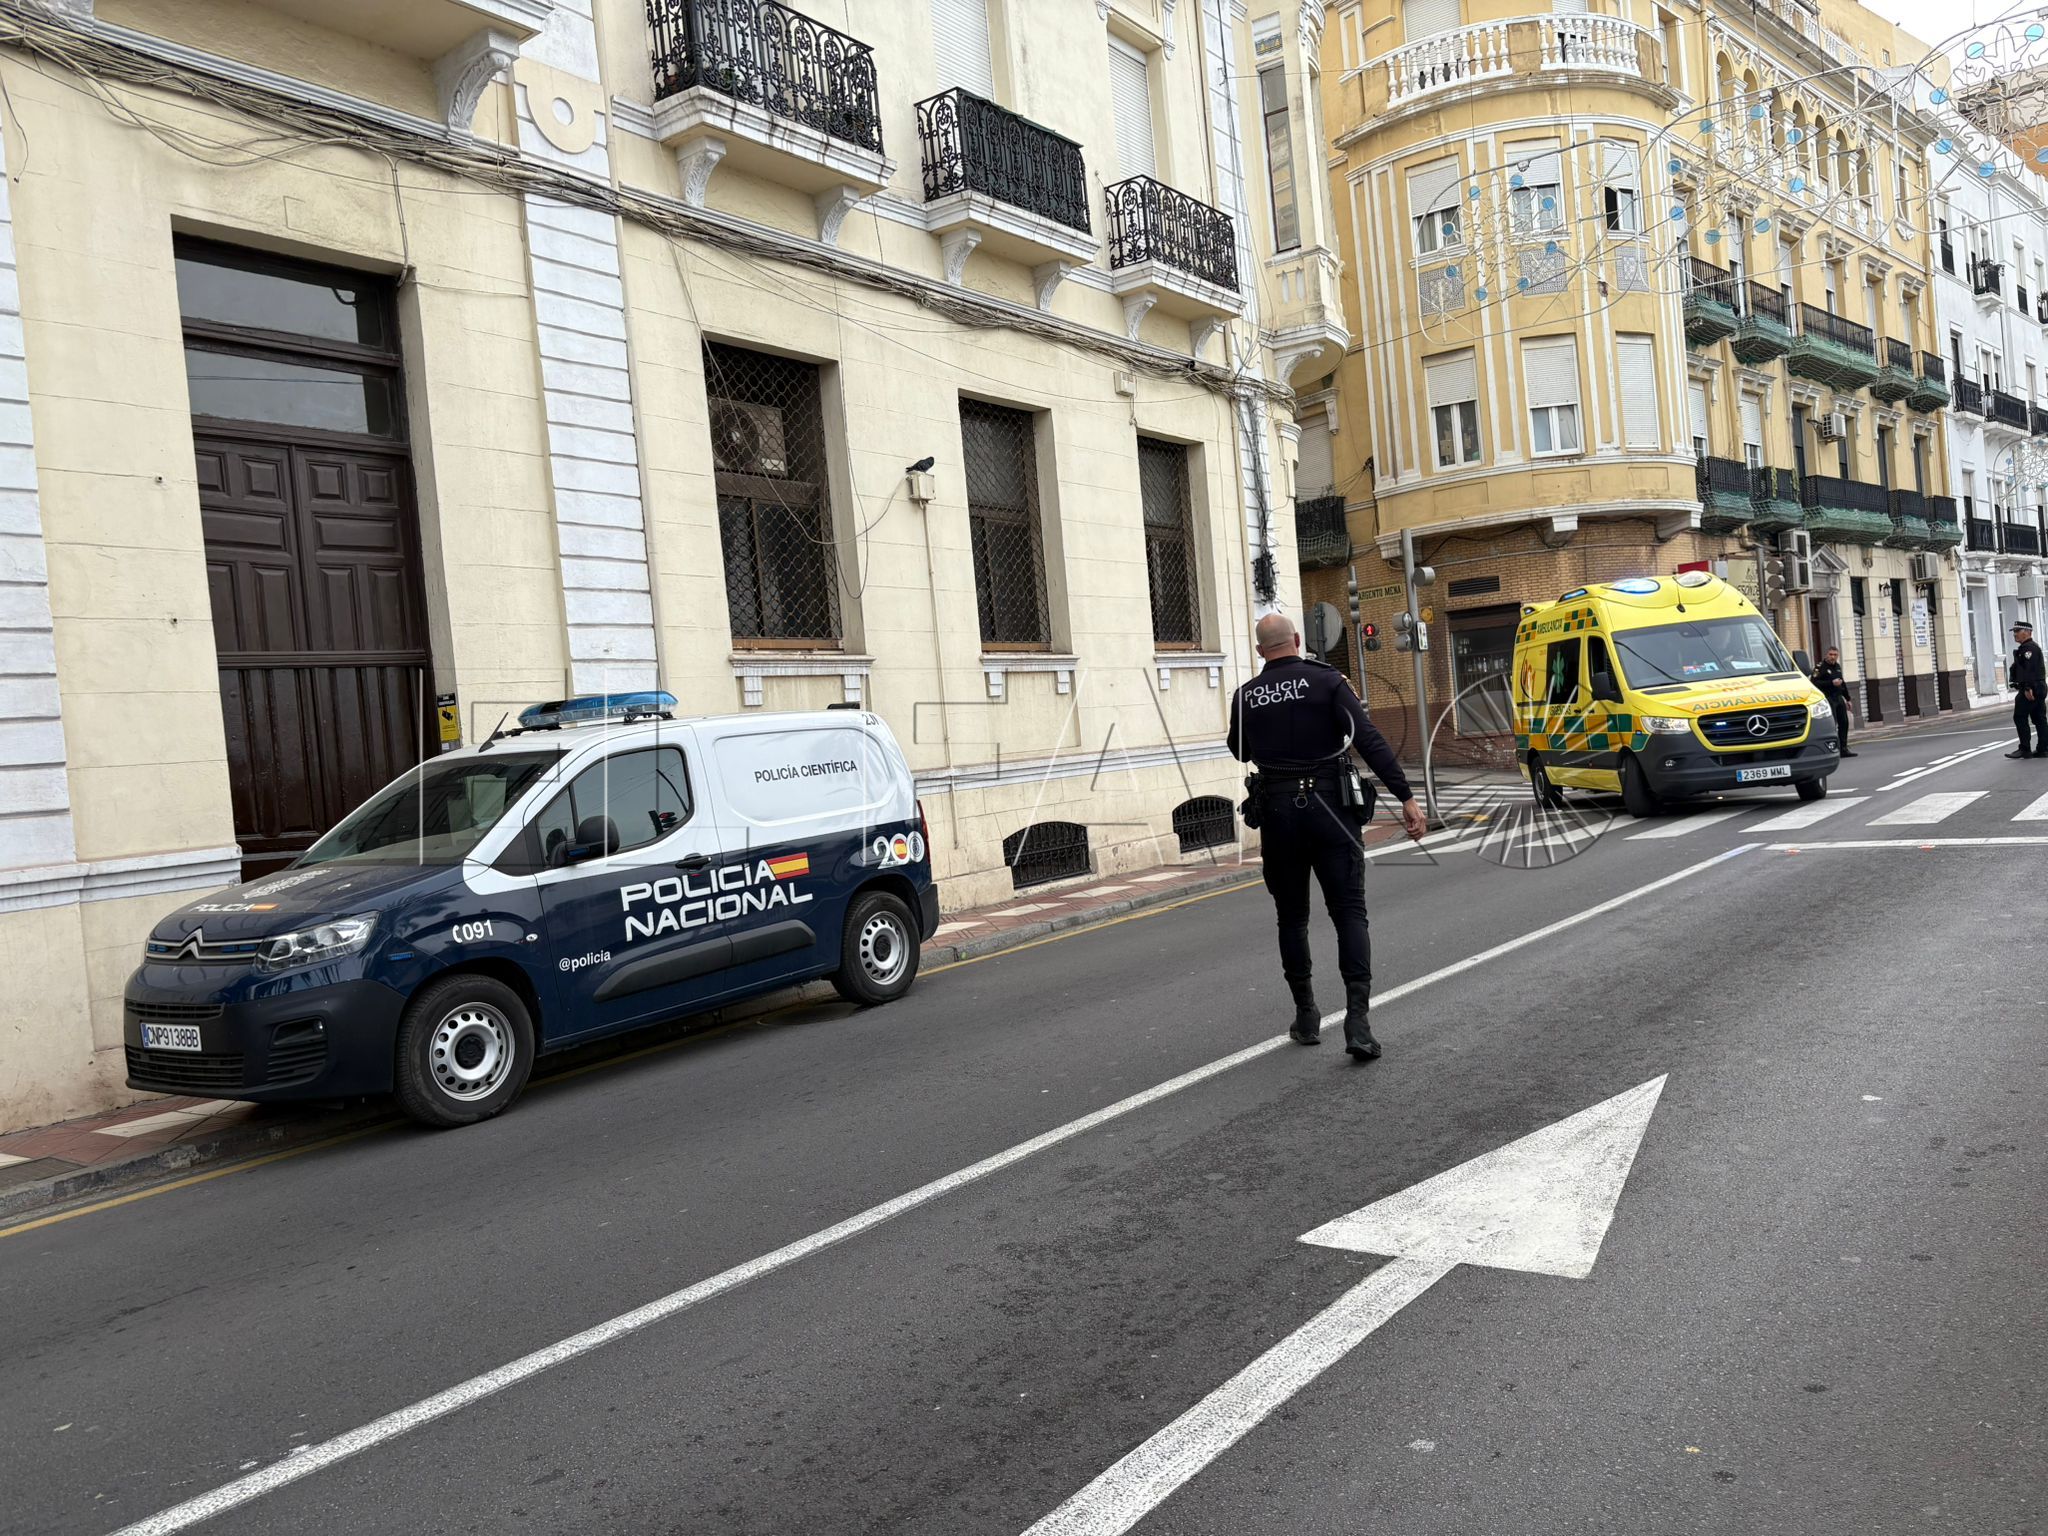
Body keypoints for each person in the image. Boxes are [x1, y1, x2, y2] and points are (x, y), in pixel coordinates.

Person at [1226, 613, 1427, 1062]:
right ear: (1297, 641)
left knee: (1292, 918)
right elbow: (1369, 740)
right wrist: (1406, 797)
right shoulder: (1329, 682)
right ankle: (1358, 1023)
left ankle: (1307, 1015)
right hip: (1332, 811)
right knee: (1349, 912)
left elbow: (1240, 750)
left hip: (1279, 814)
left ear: (1261, 651)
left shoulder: (1245, 696)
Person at [1809, 646, 1857, 758]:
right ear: (1827, 654)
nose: (1832, 657)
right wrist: (1831, 683)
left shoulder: (1837, 667)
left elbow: (1842, 683)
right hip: (1828, 698)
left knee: (1844, 723)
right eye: (1830, 654)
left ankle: (1844, 748)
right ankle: (1833, 748)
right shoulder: (1820, 667)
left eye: (1835, 655)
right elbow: (1814, 683)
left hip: (1838, 697)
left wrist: (1848, 698)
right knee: (1832, 724)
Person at [2010, 618, 2047, 760]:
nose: (2015, 634)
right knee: (2039, 718)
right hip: (2038, 687)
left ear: (2027, 632)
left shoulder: (2028, 649)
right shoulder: (2029, 647)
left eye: (2017, 631)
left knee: (2020, 717)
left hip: (2032, 688)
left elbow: (2029, 670)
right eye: (2014, 631)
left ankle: (2024, 749)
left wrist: (2027, 687)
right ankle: (2043, 748)